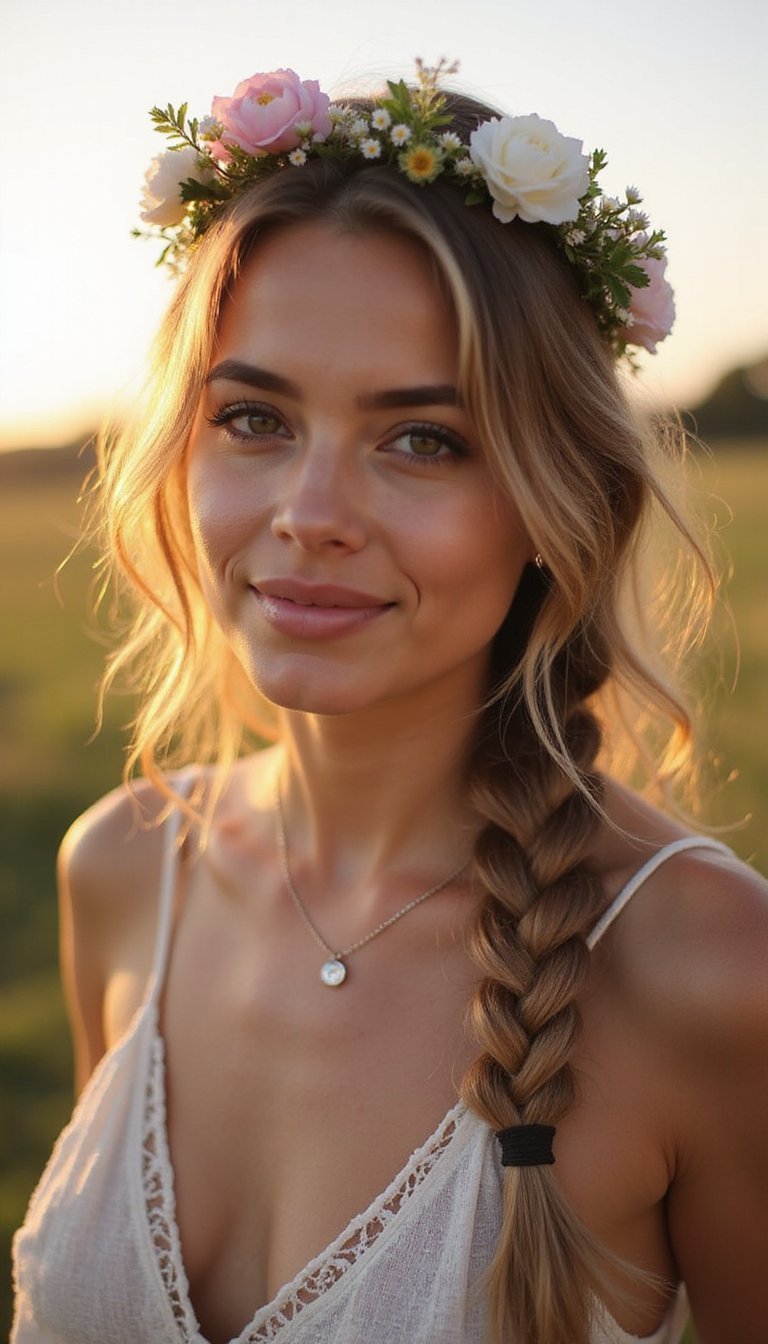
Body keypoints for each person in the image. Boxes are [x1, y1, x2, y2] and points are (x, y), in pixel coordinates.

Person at [11, 61, 768, 1344]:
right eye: (253, 417)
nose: (309, 517)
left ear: (555, 500)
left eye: (424, 439)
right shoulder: (126, 867)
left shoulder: (712, 973)